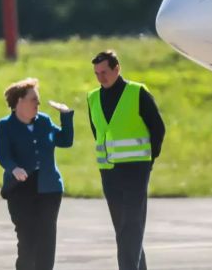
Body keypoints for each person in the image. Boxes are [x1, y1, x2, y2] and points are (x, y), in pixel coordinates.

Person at [88, 50, 165, 270]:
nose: (101, 77)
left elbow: (158, 129)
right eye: (96, 73)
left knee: (130, 228)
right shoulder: (92, 97)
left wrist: (147, 162)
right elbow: (99, 132)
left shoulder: (137, 92)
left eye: (104, 72)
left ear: (117, 69)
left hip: (135, 172)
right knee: (124, 230)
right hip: (109, 172)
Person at [0, 78, 74, 270]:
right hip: (20, 188)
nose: (38, 104)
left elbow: (65, 140)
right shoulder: (5, 126)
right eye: (34, 100)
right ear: (19, 102)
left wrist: (66, 115)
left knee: (47, 238)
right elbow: (3, 155)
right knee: (27, 239)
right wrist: (14, 168)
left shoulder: (45, 122)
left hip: (49, 187)